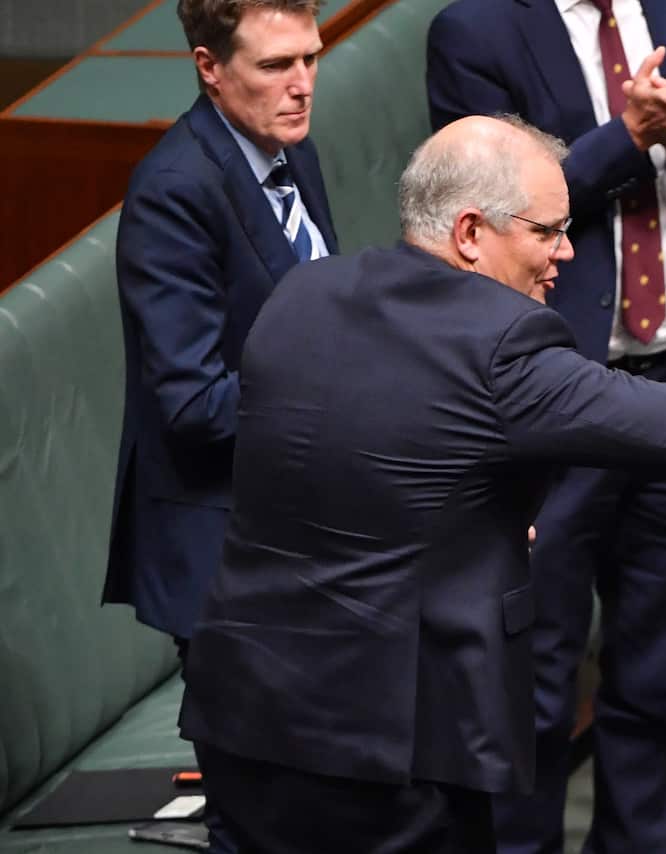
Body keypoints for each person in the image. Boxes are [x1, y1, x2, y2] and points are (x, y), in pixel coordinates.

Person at [177, 114, 666, 854]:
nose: (566, 252)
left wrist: (483, 508)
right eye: (548, 231)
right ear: (471, 233)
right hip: (390, 748)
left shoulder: (301, 293)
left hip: (242, 711)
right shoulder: (504, 344)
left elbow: (363, 463)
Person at [426, 3, 666, 851]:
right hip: (544, 402)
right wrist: (629, 134)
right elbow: (476, 214)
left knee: (650, 681)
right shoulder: (476, 31)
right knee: (535, 683)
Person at [101, 1, 336, 850]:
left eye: (310, 57)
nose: (302, 83)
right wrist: (351, 395)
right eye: (276, 66)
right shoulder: (174, 189)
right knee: (260, 825)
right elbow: (194, 404)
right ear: (208, 66)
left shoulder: (288, 151)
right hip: (227, 570)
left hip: (302, 547)